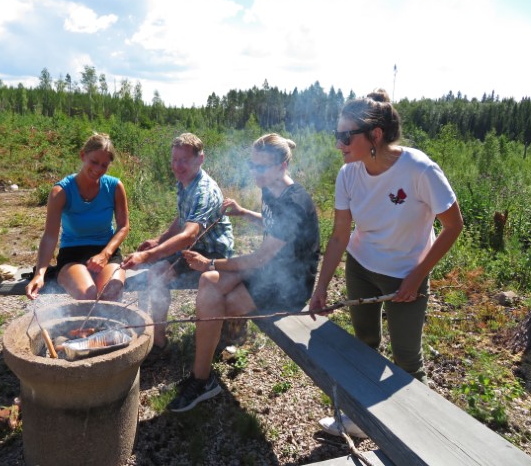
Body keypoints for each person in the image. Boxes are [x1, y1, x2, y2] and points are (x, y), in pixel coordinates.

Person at [309, 89, 463, 437]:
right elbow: (339, 236)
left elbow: (453, 226)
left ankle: (418, 436)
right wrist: (320, 288)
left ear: (375, 135)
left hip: (406, 275)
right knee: (364, 342)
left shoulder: (419, 169)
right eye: (338, 136)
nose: (339, 145)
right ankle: (362, 420)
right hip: (361, 267)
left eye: (346, 136)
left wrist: (416, 277)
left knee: (408, 359)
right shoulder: (348, 174)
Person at [167, 133, 320, 413]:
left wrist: (210, 263)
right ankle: (204, 373)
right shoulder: (270, 187)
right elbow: (273, 225)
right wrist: (244, 212)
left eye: (261, 167)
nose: (254, 172)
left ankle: (203, 375)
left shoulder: (295, 203)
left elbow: (260, 257)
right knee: (209, 285)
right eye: (252, 165)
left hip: (289, 287)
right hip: (269, 272)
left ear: (282, 166)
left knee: (217, 295)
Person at [121, 132, 234, 357]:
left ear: (200, 159)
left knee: (157, 272)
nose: (177, 166)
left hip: (212, 252)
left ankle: (159, 342)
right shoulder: (186, 181)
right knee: (152, 269)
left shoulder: (203, 190)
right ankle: (153, 332)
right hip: (195, 245)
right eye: (174, 160)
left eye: (184, 160)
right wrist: (159, 241)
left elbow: (189, 234)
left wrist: (149, 255)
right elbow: (183, 218)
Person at [25, 133, 129, 302]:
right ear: (83, 155)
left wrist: (105, 254)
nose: (98, 169)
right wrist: (39, 273)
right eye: (94, 162)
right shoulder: (61, 192)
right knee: (87, 295)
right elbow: (50, 236)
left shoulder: (115, 187)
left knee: (111, 292)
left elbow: (123, 226)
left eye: (104, 165)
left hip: (106, 250)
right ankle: (86, 328)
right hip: (73, 253)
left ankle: (100, 329)